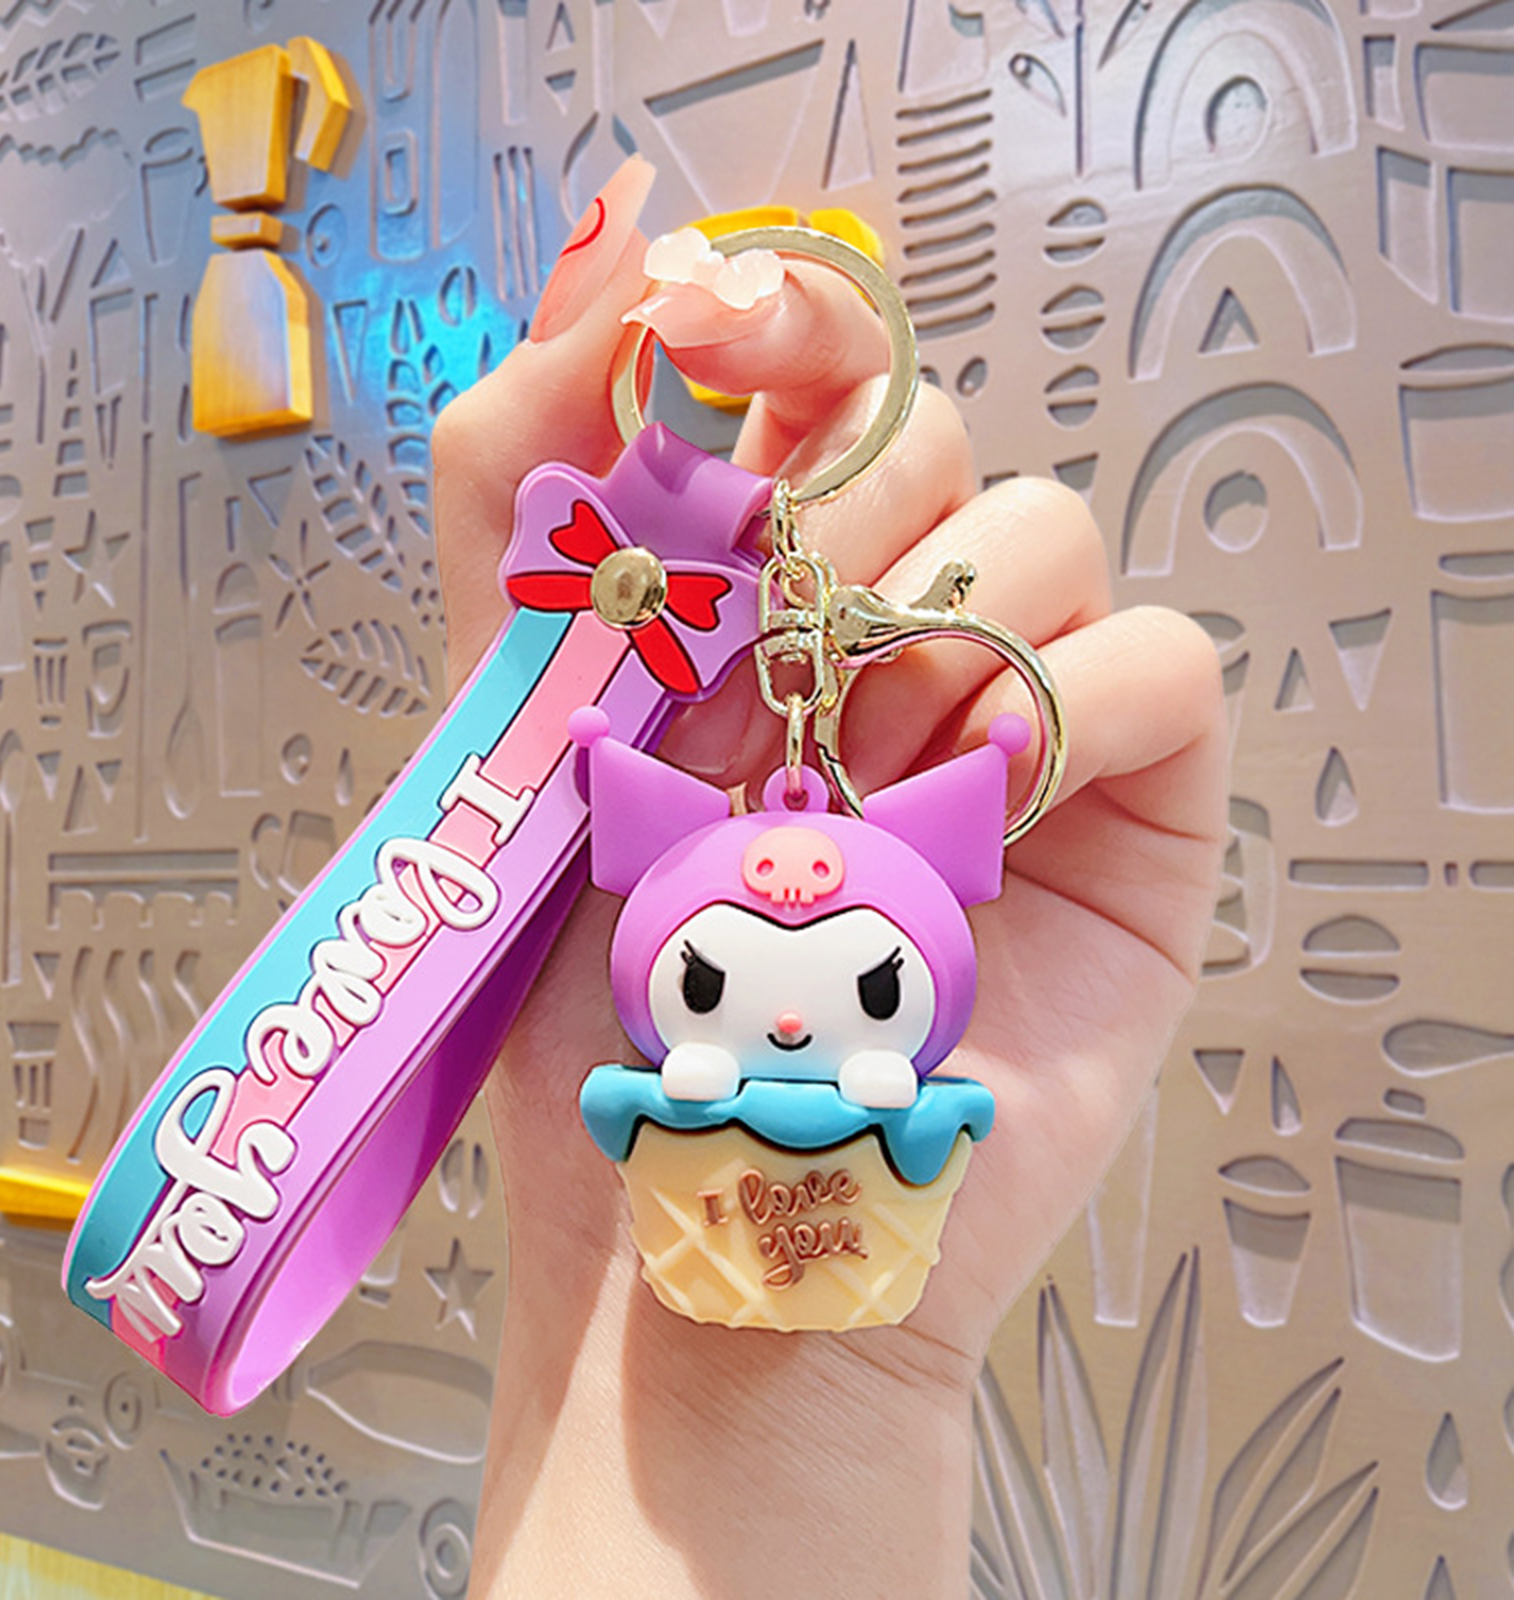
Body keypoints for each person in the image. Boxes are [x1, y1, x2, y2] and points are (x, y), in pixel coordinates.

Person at [432, 156, 1227, 1600]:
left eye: (864, 984)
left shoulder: (880, 1064)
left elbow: (941, 1109)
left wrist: (840, 1402)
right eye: (720, 980)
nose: (793, 1017)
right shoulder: (660, 1065)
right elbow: (616, 1103)